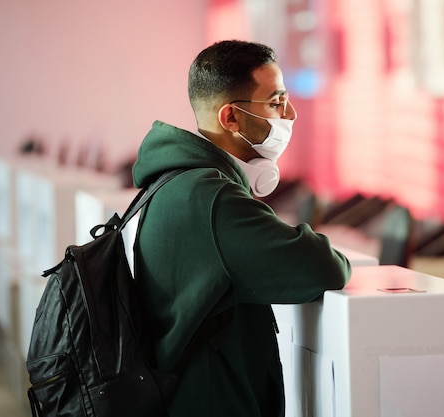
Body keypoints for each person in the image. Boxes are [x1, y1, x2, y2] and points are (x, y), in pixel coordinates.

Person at [132, 40, 352, 417]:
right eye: (276, 102)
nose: (291, 114)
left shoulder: (173, 182)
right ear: (230, 118)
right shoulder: (212, 200)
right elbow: (325, 266)